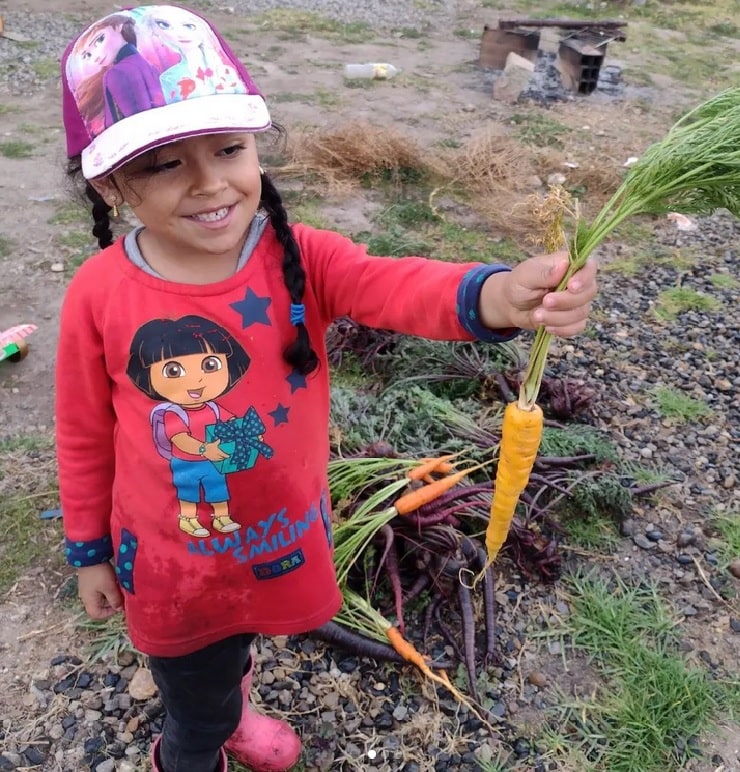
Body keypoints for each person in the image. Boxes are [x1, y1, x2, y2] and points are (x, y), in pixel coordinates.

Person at [56, 5, 598, 772]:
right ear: (112, 184)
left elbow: (391, 284)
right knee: (193, 697)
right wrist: (87, 550)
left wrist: (500, 296)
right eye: (166, 163)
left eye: (230, 148)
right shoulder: (98, 292)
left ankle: (231, 710)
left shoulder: (297, 256)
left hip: (277, 535)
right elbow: (81, 432)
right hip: (172, 562)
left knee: (235, 648)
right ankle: (190, 750)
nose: (211, 183)